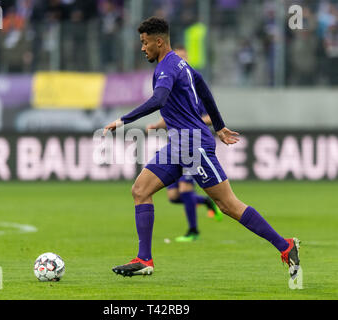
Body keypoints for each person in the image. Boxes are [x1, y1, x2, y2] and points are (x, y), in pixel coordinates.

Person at [103, 17, 300, 281]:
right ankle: (144, 259)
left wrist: (123, 120)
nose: (142, 48)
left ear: (158, 41)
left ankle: (285, 246)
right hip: (179, 144)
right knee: (140, 190)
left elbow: (159, 98)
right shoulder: (180, 65)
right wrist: (219, 126)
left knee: (228, 204)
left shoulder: (166, 68)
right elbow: (205, 91)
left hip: (194, 144)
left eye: (144, 42)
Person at [146, 46, 223, 243]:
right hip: (175, 146)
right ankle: (206, 202)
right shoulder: (174, 87)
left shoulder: (194, 87)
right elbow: (171, 115)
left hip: (193, 144)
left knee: (186, 190)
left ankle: (193, 231)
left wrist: (193, 120)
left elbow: (208, 117)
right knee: (173, 196)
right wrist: (156, 125)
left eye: (184, 59)